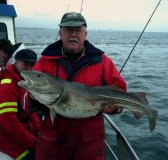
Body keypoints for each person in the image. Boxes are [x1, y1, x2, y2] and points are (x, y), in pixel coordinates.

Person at [29, 12, 127, 160]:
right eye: (68, 30)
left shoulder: (102, 62)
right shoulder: (45, 62)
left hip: (88, 144)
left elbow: (120, 91)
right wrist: (32, 98)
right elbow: (25, 96)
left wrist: (114, 108)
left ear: (85, 34)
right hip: (52, 142)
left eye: (78, 30)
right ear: (60, 33)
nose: (73, 34)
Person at [0, 49, 40, 160]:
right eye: (25, 64)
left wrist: (39, 131)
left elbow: (30, 113)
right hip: (4, 136)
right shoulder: (7, 85)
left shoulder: (23, 82)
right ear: (16, 62)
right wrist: (32, 142)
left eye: (32, 65)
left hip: (21, 130)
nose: (29, 69)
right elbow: (8, 122)